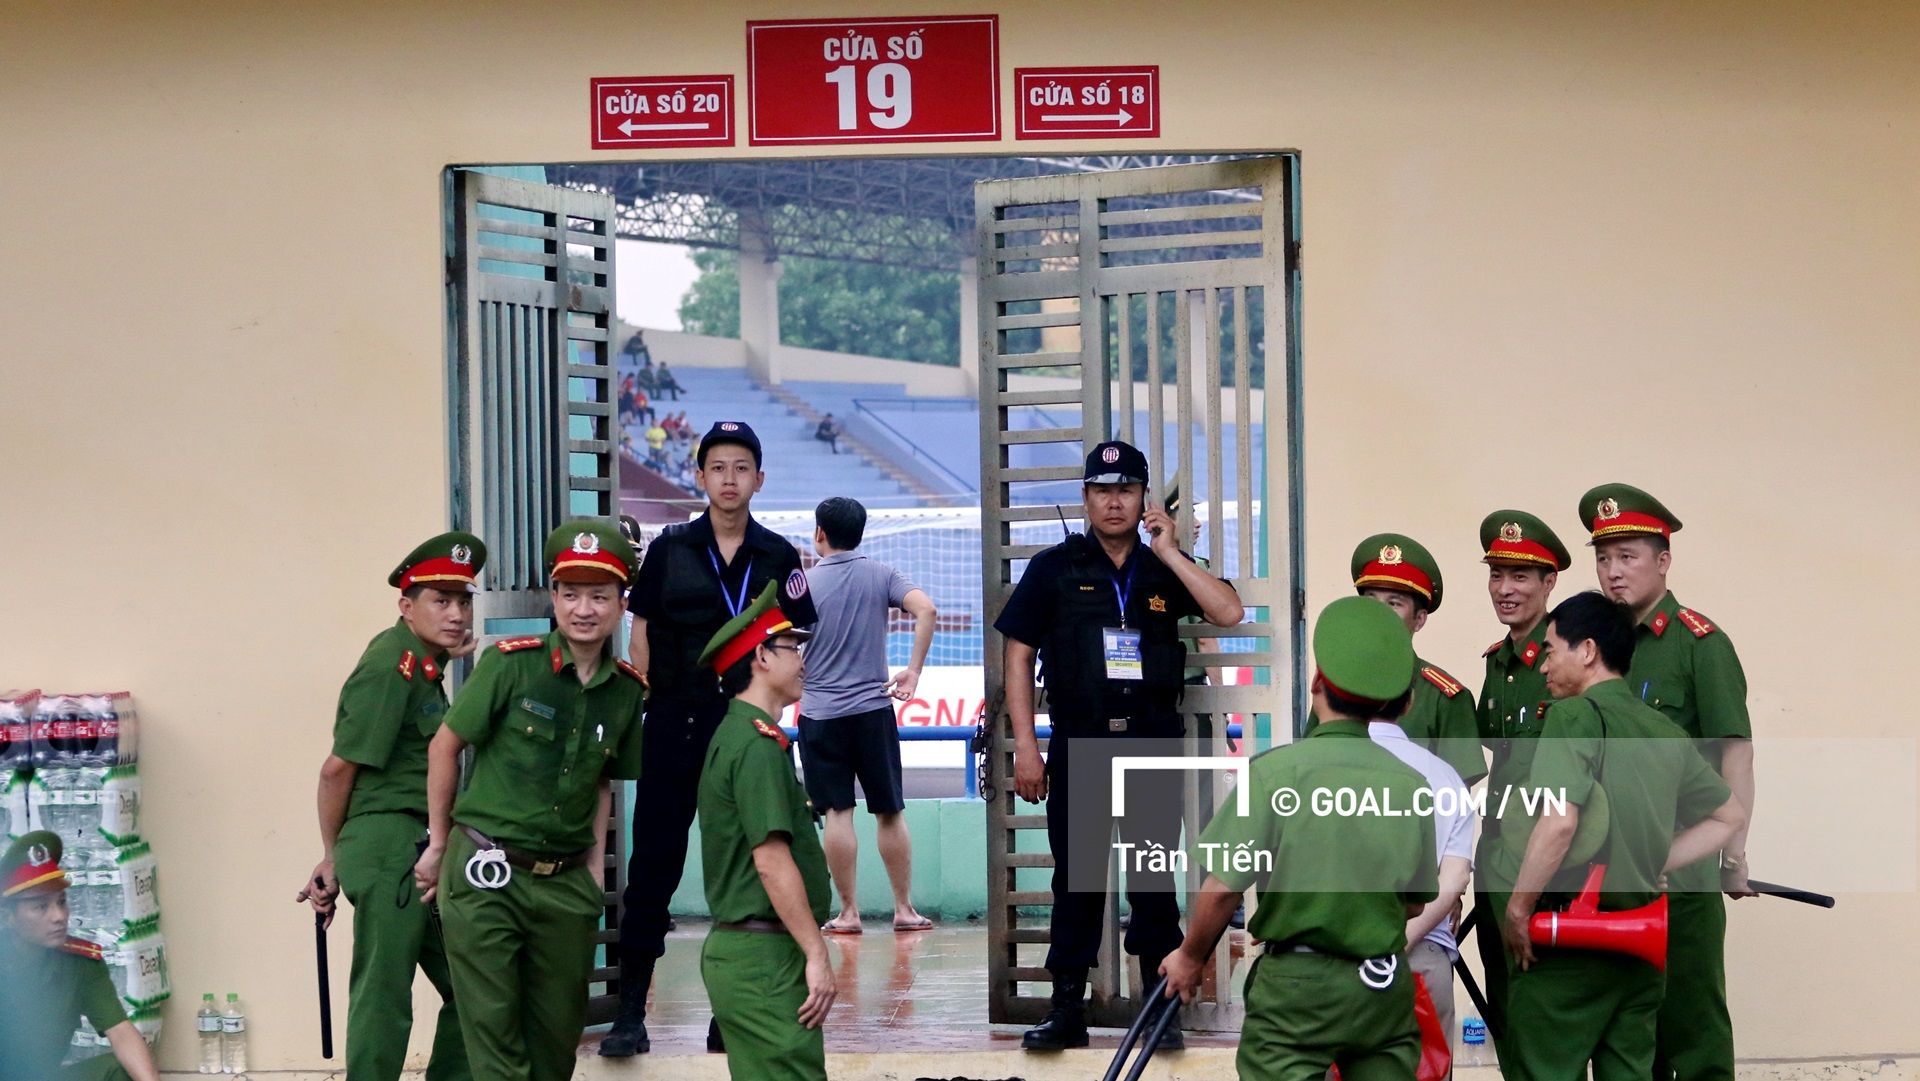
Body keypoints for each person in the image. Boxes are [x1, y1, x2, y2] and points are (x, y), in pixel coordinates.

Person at [996, 440, 1242, 1051]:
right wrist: (1026, 747)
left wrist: (1172, 551)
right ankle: (1066, 1010)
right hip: (1081, 743)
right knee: (1077, 882)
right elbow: (1018, 656)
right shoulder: (1054, 568)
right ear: (1085, 498)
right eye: (1103, 491)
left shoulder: (1163, 568)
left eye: (1126, 490)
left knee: (1152, 880)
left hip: (1151, 745)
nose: (1114, 502)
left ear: (1143, 498)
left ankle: (1159, 1012)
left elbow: (1228, 612)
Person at [603, 420, 817, 1058]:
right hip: (676, 721)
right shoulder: (670, 548)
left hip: (745, 728)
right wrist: (648, 696)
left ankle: (734, 1011)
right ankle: (629, 1011)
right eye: (717, 467)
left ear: (759, 479)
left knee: (751, 865)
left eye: (741, 468)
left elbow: (796, 637)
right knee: (653, 866)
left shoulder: (778, 555)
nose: (729, 479)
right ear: (699, 477)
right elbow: (642, 629)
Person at [1159, 597, 1439, 1081]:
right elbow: (1414, 903)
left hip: (1297, 988)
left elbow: (1223, 888)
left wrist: (1190, 956)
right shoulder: (1411, 785)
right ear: (1397, 704)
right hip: (1382, 985)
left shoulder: (1272, 774)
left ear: (1316, 684)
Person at [411, 520, 646, 1081]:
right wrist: (439, 843)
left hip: (565, 884)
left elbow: (603, 780)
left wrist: (592, 869)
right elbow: (445, 746)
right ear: (554, 598)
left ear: (621, 605)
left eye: (599, 596)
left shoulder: (626, 691)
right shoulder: (511, 663)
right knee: (496, 1042)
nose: (583, 609)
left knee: (556, 1043)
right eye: (571, 594)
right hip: (487, 871)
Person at [1500, 591, 1746, 1081]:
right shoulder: (1663, 730)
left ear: (1588, 651)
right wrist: (1656, 859)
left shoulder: (1572, 717)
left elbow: (1559, 822)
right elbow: (1730, 817)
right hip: (1639, 954)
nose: (1543, 667)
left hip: (1570, 948)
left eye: (1551, 651)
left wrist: (1518, 909)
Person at [1579, 484, 1754, 1081]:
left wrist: (1733, 856)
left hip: (1681, 871)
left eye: (1628, 556)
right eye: (1604, 558)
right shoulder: (1598, 647)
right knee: (1628, 1038)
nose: (1613, 571)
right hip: (1608, 871)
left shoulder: (1698, 644)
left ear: (1663, 561)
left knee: (1693, 1028)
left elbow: (1736, 756)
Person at [296, 532, 484, 1081]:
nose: (456, 614)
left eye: (463, 601)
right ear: (406, 606)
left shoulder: (419, 661)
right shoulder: (389, 667)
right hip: (388, 846)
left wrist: (441, 656)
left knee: (476, 986)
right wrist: (332, 856)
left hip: (415, 846)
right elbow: (337, 770)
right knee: (385, 989)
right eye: (440, 601)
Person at [695, 583, 835, 1081]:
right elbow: (771, 862)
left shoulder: (741, 735)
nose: (801, 660)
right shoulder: (756, 745)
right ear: (761, 657)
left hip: (756, 953)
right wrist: (816, 953)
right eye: (792, 647)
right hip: (764, 960)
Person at [799, 496, 937, 935]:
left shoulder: (802, 584)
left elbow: (780, 640)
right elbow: (927, 609)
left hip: (819, 714)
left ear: (820, 532)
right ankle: (904, 909)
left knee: (837, 813)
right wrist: (913, 670)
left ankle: (848, 913)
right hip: (873, 711)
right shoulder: (882, 574)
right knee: (890, 811)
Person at [1468, 508, 1571, 1069]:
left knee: (1545, 1013)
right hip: (1496, 856)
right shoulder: (1497, 663)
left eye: (1521, 576)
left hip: (1547, 860)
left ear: (1549, 582)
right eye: (1496, 575)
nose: (1505, 590)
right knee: (1505, 1006)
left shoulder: (1569, 659)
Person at [1367, 694, 1475, 1075]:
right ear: (1410, 702)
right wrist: (1404, 938)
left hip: (1338, 961)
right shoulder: (1444, 776)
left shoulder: (1316, 769)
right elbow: (1456, 876)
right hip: (1424, 960)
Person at [0, 831, 162, 1081]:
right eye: (41, 907)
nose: (58, 916)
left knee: (120, 1069)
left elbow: (121, 1032)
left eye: (61, 902)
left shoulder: (79, 963)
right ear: (7, 916)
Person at [1349, 533, 1487, 784]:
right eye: (1370, 601)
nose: (1379, 614)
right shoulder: (1337, 684)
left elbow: (1455, 790)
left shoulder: (1445, 698)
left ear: (1419, 619)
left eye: (1394, 604)